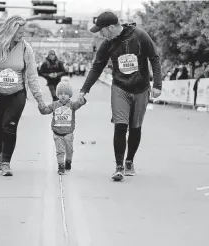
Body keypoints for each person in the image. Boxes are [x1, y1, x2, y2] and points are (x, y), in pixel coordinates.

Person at [78, 12, 162, 181]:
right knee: (120, 126)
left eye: (101, 31)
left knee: (135, 127)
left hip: (141, 88)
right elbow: (97, 67)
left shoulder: (140, 36)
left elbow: (154, 58)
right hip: (120, 88)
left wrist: (157, 85)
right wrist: (84, 90)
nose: (101, 34)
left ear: (110, 27)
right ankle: (119, 166)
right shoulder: (107, 44)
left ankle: (129, 160)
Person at [0, 15, 45, 176]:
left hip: (16, 94)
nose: (23, 35)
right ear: (10, 30)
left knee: (10, 126)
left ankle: (6, 162)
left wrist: (39, 99)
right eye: (20, 32)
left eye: (24, 32)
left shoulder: (26, 48)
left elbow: (32, 75)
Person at [39, 77, 86, 175]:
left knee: (69, 150)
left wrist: (81, 100)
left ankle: (68, 161)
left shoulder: (72, 105)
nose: (63, 96)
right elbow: (46, 110)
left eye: (65, 94)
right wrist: (42, 107)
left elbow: (78, 104)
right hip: (57, 133)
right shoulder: (54, 105)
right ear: (57, 95)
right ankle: (61, 166)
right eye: (60, 94)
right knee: (60, 151)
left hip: (68, 133)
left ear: (70, 95)